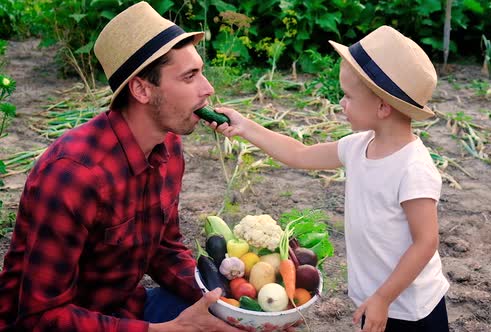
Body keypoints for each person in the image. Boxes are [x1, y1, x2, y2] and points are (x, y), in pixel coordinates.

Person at [0, 2, 241, 331]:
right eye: (190, 77)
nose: (208, 88)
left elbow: (164, 249)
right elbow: (39, 318)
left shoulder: (168, 147)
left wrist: (228, 298)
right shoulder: (72, 175)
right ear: (141, 89)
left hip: (122, 310)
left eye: (201, 72)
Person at [212, 26, 450, 332]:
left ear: (382, 107)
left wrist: (383, 298)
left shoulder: (412, 167)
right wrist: (246, 127)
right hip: (376, 300)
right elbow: (298, 153)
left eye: (348, 96)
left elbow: (425, 242)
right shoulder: (358, 146)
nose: (341, 103)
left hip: (412, 310)